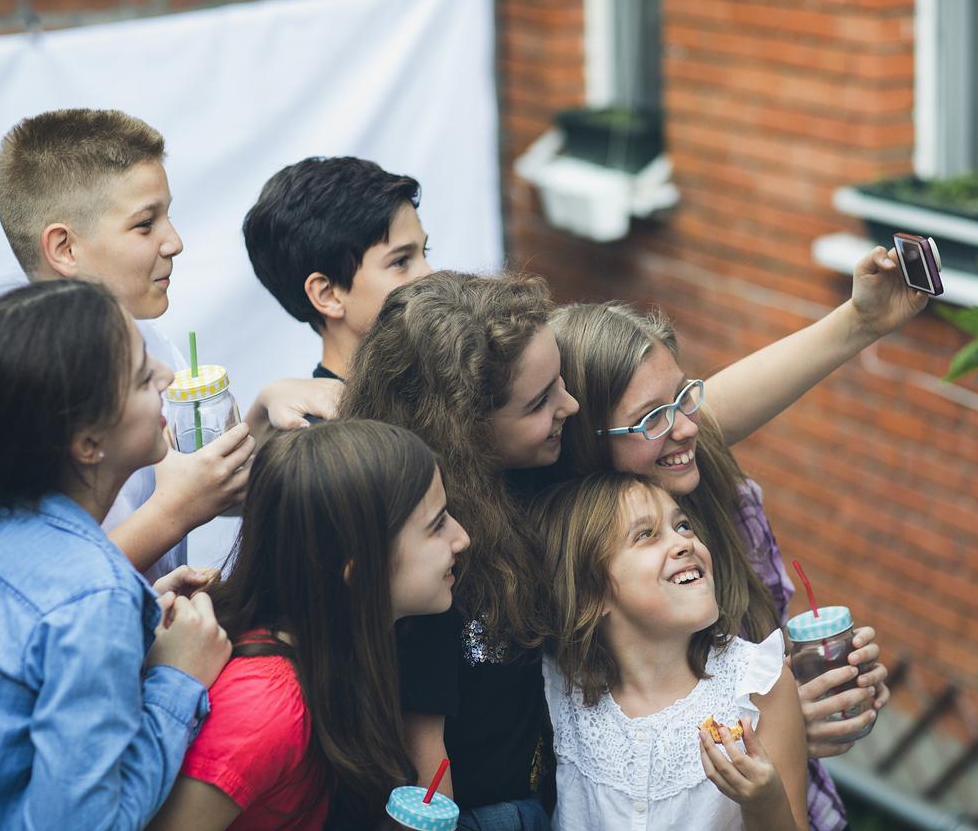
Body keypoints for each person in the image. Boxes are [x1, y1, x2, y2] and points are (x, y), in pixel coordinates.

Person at [546, 248, 919, 829]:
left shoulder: (710, 484)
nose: (689, 427)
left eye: (684, 398)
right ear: (583, 440)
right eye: (651, 420)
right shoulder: (562, 577)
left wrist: (801, 704)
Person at [0, 279, 231, 828]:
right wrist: (179, 679)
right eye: (141, 375)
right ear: (86, 443)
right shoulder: (91, 596)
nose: (168, 377)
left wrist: (137, 615)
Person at [0, 108, 337, 580]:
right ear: (65, 249)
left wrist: (258, 420)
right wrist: (174, 513)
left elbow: (212, 488)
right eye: (144, 225)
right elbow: (45, 587)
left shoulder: (149, 342)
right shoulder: (14, 391)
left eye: (168, 217)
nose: (174, 242)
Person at [339, 271, 577, 829]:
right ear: (464, 428)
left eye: (560, 380)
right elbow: (425, 754)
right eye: (541, 401)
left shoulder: (520, 476)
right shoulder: (432, 561)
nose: (570, 404)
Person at [149, 420, 469, 830]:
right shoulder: (266, 704)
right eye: (437, 524)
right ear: (357, 569)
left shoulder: (339, 652)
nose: (461, 538)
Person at [533, 473, 808, 831]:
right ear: (591, 593)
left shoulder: (757, 686)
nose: (683, 543)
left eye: (683, 526)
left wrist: (765, 801)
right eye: (646, 535)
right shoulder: (560, 686)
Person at [243, 156, 432, 384]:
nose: (431, 274)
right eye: (400, 261)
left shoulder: (449, 393)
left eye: (425, 251)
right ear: (327, 295)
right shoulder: (315, 420)